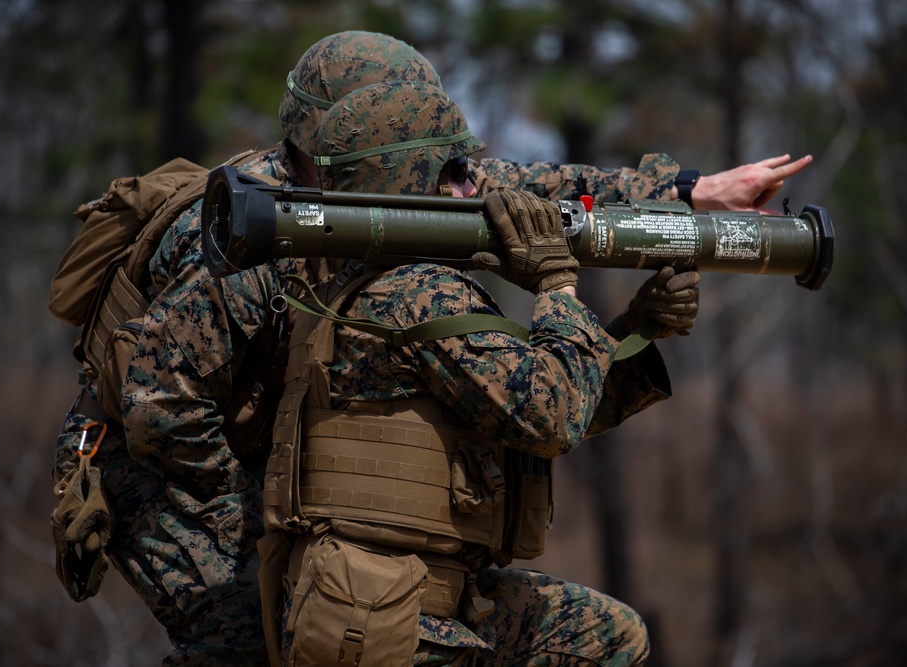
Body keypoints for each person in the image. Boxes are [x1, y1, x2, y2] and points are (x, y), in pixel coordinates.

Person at [50, 28, 808, 665]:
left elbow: (530, 190)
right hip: (145, 458)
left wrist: (689, 192)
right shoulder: (258, 241)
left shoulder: (382, 182)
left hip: (253, 421)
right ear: (344, 141)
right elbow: (156, 395)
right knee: (266, 627)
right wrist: (256, 516)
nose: (454, 185)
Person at [266, 79, 700, 666]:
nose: (473, 187)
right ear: (404, 180)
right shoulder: (416, 294)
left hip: (415, 596)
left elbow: (524, 403)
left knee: (606, 636)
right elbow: (550, 417)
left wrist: (635, 325)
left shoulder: (373, 284)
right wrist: (555, 282)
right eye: (454, 171)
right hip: (386, 623)